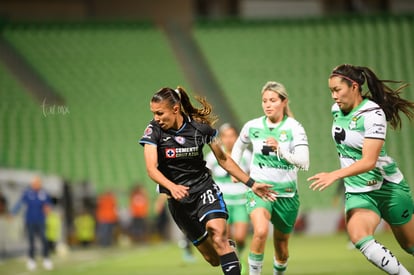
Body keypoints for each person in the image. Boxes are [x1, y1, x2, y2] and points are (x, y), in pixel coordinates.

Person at [139, 86, 276, 275]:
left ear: (175, 109)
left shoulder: (200, 128)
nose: (156, 118)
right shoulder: (153, 131)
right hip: (178, 202)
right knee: (213, 259)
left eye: (160, 113)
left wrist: (251, 183)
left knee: (218, 237)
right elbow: (150, 168)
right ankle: (228, 250)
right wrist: (172, 187)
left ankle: (225, 247)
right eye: (154, 113)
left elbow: (224, 159)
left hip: (204, 190)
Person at [308, 64, 414, 275]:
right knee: (358, 236)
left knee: (409, 246)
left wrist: (334, 174)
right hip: (358, 192)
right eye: (331, 91)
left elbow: (369, 161)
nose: (333, 96)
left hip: (388, 189)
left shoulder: (373, 115)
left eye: (337, 90)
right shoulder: (336, 110)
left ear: (354, 86)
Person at [231, 81, 310, 275]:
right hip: (260, 191)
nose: (267, 104)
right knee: (260, 231)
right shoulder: (253, 126)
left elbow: (304, 163)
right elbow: (239, 146)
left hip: (287, 196)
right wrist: (236, 169)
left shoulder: (294, 127)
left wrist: (280, 150)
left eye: (273, 100)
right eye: (264, 100)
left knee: (281, 248)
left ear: (284, 102)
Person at [205, 123, 252, 262]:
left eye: (232, 136)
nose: (229, 139)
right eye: (225, 136)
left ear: (237, 137)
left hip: (241, 201)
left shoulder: (246, 155)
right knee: (227, 238)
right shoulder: (213, 155)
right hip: (222, 202)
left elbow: (251, 175)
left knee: (240, 237)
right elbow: (207, 176)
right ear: (221, 138)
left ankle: (241, 253)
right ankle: (236, 261)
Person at [10, 176, 53, 271]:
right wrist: (13, 213)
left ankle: (46, 259)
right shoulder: (27, 193)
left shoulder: (44, 193)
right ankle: (31, 260)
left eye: (38, 183)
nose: (37, 185)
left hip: (41, 220)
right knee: (31, 241)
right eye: (35, 183)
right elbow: (20, 203)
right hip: (30, 220)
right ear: (32, 184)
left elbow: (49, 205)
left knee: (44, 239)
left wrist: (48, 209)